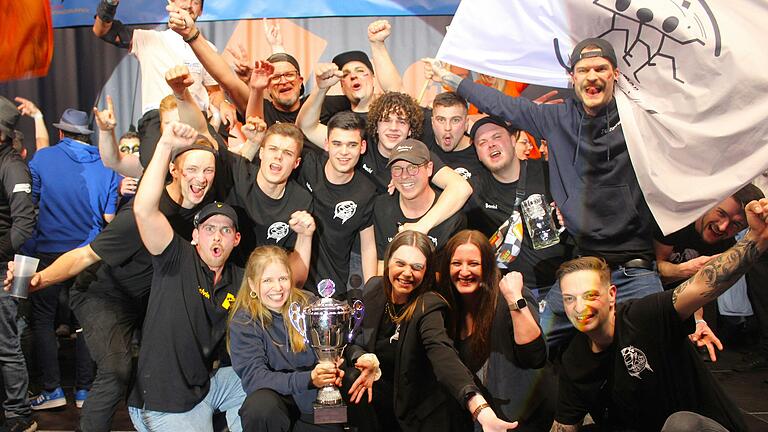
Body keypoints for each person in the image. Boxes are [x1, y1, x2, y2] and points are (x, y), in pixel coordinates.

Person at [423, 39, 665, 349]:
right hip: (583, 268)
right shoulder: (556, 119)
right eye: (583, 70)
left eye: (600, 69)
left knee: (652, 356)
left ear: (615, 74)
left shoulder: (637, 118)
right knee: (536, 346)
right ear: (571, 78)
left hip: (635, 270)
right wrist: (452, 78)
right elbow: (501, 104)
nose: (592, 76)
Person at [4, 124, 220, 432]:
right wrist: (37, 280)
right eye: (192, 170)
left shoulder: (204, 214)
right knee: (116, 370)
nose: (200, 179)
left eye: (208, 171)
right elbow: (83, 256)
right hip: (102, 295)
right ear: (174, 170)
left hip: (146, 301)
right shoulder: (141, 215)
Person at [550, 197, 768, 431]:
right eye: (570, 299)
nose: (580, 307)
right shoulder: (575, 358)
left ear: (612, 294)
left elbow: (702, 284)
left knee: (681, 424)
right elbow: (564, 425)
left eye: (590, 295)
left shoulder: (643, 317)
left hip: (698, 427)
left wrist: (757, 237)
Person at [128, 121, 246, 432]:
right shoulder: (176, 257)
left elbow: (285, 283)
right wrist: (165, 146)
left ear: (236, 239)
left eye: (225, 230)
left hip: (205, 386)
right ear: (195, 236)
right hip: (164, 400)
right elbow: (143, 210)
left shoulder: (238, 277)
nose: (216, 238)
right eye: (209, 229)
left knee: (255, 384)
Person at [346, 230, 516, 432]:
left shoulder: (429, 305)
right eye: (400, 264)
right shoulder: (374, 289)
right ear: (388, 262)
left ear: (426, 272)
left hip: (422, 417)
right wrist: (364, 357)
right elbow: (352, 340)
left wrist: (479, 408)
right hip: (383, 406)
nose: (407, 273)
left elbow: (443, 354)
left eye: (417, 267)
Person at [29, 108, 120, 411]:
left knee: (42, 320)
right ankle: (84, 391)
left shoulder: (43, 158)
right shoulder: (108, 164)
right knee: (85, 322)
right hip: (90, 254)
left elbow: (32, 200)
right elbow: (108, 216)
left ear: (61, 133)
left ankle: (53, 389)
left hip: (50, 251)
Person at [229, 245, 369, 431]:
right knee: (259, 406)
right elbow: (255, 378)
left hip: (315, 400)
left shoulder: (309, 304)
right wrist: (309, 378)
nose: (277, 288)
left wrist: (359, 356)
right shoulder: (244, 320)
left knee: (356, 382)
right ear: (253, 284)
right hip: (277, 403)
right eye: (267, 280)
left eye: (283, 278)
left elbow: (341, 341)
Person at [92, 0, 230, 168]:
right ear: (170, 2)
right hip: (158, 120)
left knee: (222, 166)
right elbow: (102, 30)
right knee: (157, 172)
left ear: (201, 11)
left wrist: (223, 104)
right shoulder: (148, 39)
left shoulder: (207, 48)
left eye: (196, 2)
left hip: (196, 119)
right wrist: (109, 3)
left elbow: (214, 91)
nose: (189, 5)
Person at [438, 230, 552, 431]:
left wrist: (514, 299)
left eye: (473, 264)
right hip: (476, 414)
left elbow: (534, 356)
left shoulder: (509, 295)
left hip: (520, 417)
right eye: (456, 263)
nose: (464, 271)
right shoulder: (444, 304)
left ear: (488, 266)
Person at [654, 185, 764, 361]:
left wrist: (698, 322)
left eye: (735, 224)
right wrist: (683, 270)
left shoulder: (725, 244)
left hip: (680, 294)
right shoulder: (677, 220)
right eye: (721, 214)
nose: (722, 227)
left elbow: (698, 290)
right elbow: (655, 270)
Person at [294, 112, 378, 294]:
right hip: (294, 282)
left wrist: (372, 294)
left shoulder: (367, 191)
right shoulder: (308, 167)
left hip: (334, 287)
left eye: (352, 145)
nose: (344, 152)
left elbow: (368, 246)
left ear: (362, 147)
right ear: (326, 144)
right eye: (337, 144)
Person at [370, 139, 466, 272]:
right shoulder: (382, 207)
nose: (404, 176)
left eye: (412, 168)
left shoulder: (452, 216)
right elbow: (382, 263)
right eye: (397, 169)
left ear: (429, 169)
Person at [0, 95, 37, 432]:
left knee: (8, 343)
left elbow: (24, 225)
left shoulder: (11, 165)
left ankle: (19, 414)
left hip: (6, 269)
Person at [427, 92, 484, 180]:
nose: (447, 127)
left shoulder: (481, 155)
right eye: (441, 120)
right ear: (432, 122)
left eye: (455, 120)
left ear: (466, 123)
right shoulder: (422, 145)